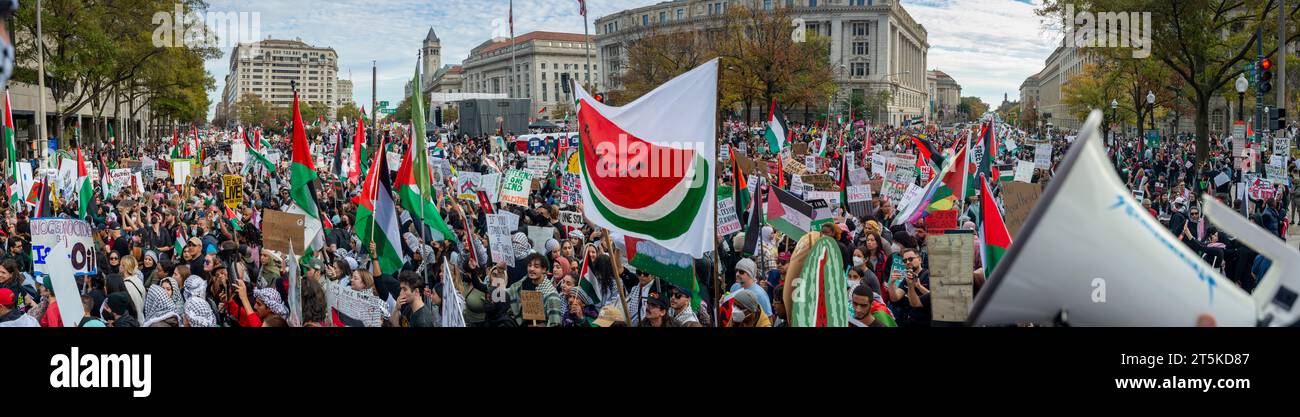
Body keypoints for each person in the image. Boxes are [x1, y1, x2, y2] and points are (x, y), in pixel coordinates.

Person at [507, 253, 563, 327]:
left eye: (536, 266)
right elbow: (508, 292)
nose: (531, 269)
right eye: (529, 265)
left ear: (544, 270)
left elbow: (555, 323)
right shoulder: (522, 284)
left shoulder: (551, 295)